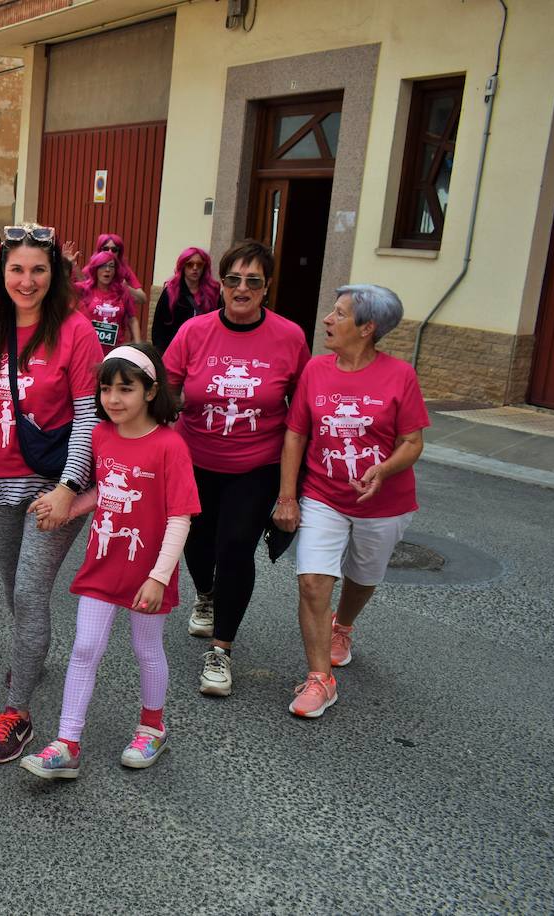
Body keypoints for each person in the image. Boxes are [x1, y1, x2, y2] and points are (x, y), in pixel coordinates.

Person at [0, 223, 103, 764]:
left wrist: (69, 487)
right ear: (0, 274)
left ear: (53, 273)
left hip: (50, 484)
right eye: (17, 269)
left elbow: (88, 418)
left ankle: (18, 711)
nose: (27, 280)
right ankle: (32, 653)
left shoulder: (76, 331)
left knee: (31, 595)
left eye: (38, 269)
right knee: (14, 589)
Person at [20, 344, 198, 779]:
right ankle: (67, 743)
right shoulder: (102, 436)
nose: (113, 399)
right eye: (105, 389)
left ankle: (152, 727)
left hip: (147, 569)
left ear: (151, 391)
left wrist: (159, 577)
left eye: (125, 389)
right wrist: (67, 507)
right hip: (102, 561)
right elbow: (106, 490)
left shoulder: (170, 446)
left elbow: (180, 516)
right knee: (84, 648)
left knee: (146, 648)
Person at [163, 239, 311, 699]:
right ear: (220, 284)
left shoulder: (290, 337)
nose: (241, 289)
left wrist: (289, 494)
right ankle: (205, 594)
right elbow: (166, 389)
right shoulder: (194, 332)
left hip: (255, 465)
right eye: (233, 280)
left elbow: (301, 416)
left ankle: (221, 650)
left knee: (234, 548)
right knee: (198, 544)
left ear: (267, 288)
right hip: (194, 460)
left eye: (253, 281)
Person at [275, 285, 428, 718]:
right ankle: (320, 679)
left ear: (367, 329)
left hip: (386, 504)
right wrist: (288, 496)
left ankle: (343, 627)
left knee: (363, 576)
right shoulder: (316, 370)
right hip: (323, 494)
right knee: (312, 580)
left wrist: (383, 469)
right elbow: (296, 434)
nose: (327, 320)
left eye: (338, 314)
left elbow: (413, 441)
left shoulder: (400, 376)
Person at [77, 248, 146, 354]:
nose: (107, 269)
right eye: (103, 266)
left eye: (111, 266)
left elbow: (132, 319)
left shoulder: (122, 291)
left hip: (115, 352)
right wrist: (67, 263)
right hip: (88, 349)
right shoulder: (84, 289)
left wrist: (138, 347)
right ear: (95, 269)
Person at [152, 247, 220, 353]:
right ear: (183, 266)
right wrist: (162, 355)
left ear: (204, 267)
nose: (195, 268)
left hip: (204, 351)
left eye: (199, 264)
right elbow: (158, 328)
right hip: (175, 350)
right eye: (190, 264)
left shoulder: (212, 292)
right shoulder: (171, 292)